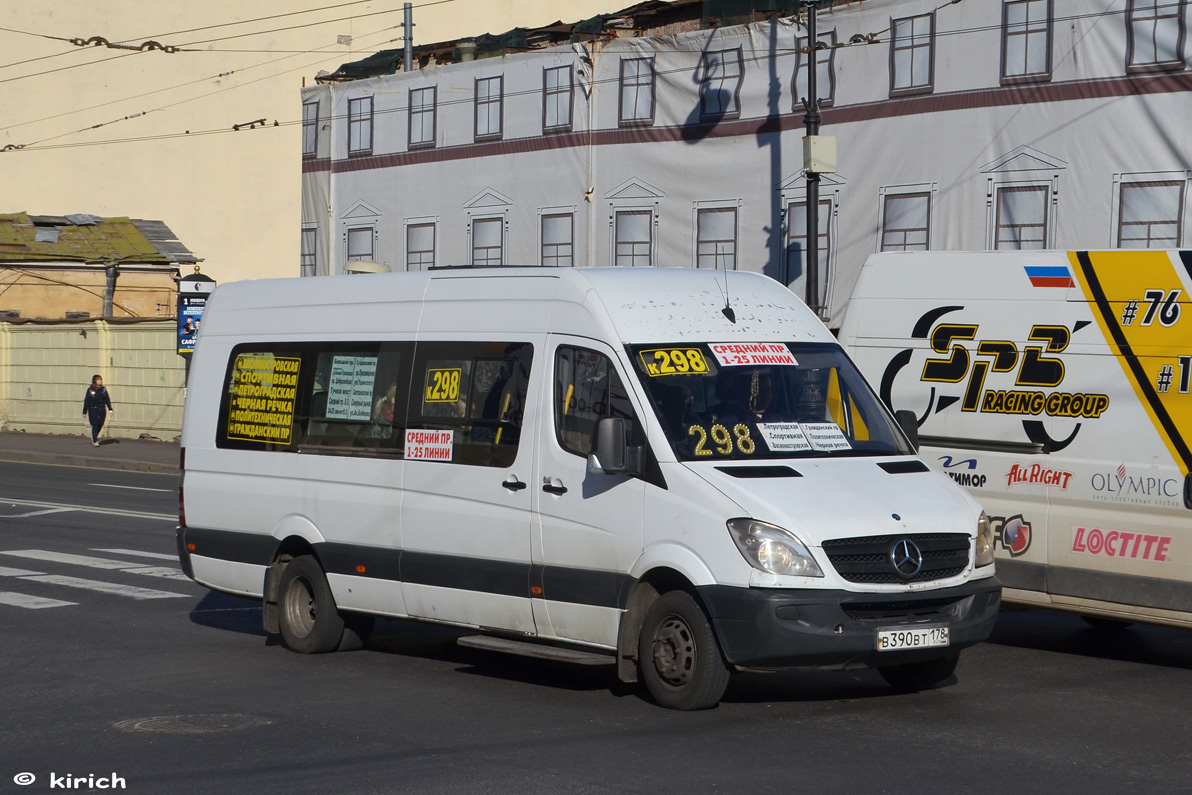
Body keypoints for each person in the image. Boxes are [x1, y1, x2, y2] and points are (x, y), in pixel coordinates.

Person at [82, 374, 113, 446]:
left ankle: (94, 436)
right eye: (98, 379)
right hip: (93, 410)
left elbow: (107, 400)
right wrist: (84, 412)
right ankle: (95, 440)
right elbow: (87, 401)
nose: (100, 381)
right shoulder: (90, 390)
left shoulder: (103, 389)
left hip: (101, 410)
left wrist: (110, 409)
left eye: (100, 379)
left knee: (100, 424)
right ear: (94, 381)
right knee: (95, 424)